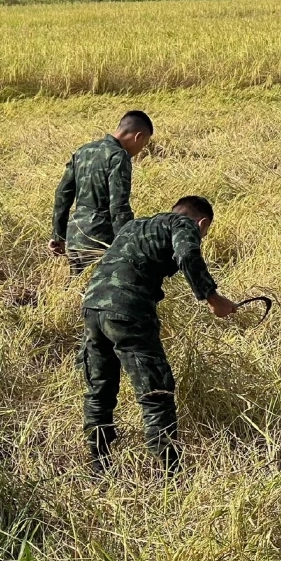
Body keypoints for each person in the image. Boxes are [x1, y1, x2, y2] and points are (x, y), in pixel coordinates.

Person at [80, 195, 238, 475]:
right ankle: (171, 475)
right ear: (202, 223)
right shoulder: (184, 224)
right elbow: (188, 254)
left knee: (100, 386)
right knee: (156, 390)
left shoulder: (136, 225)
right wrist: (213, 299)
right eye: (205, 232)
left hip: (92, 306)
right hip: (128, 309)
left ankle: (98, 463)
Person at [50, 111, 153, 276]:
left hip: (75, 236)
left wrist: (58, 234)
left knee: (76, 288)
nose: (141, 150)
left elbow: (62, 195)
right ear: (138, 136)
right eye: (144, 143)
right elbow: (119, 206)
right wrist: (127, 243)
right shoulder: (119, 157)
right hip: (100, 238)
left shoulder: (83, 151)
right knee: (99, 292)